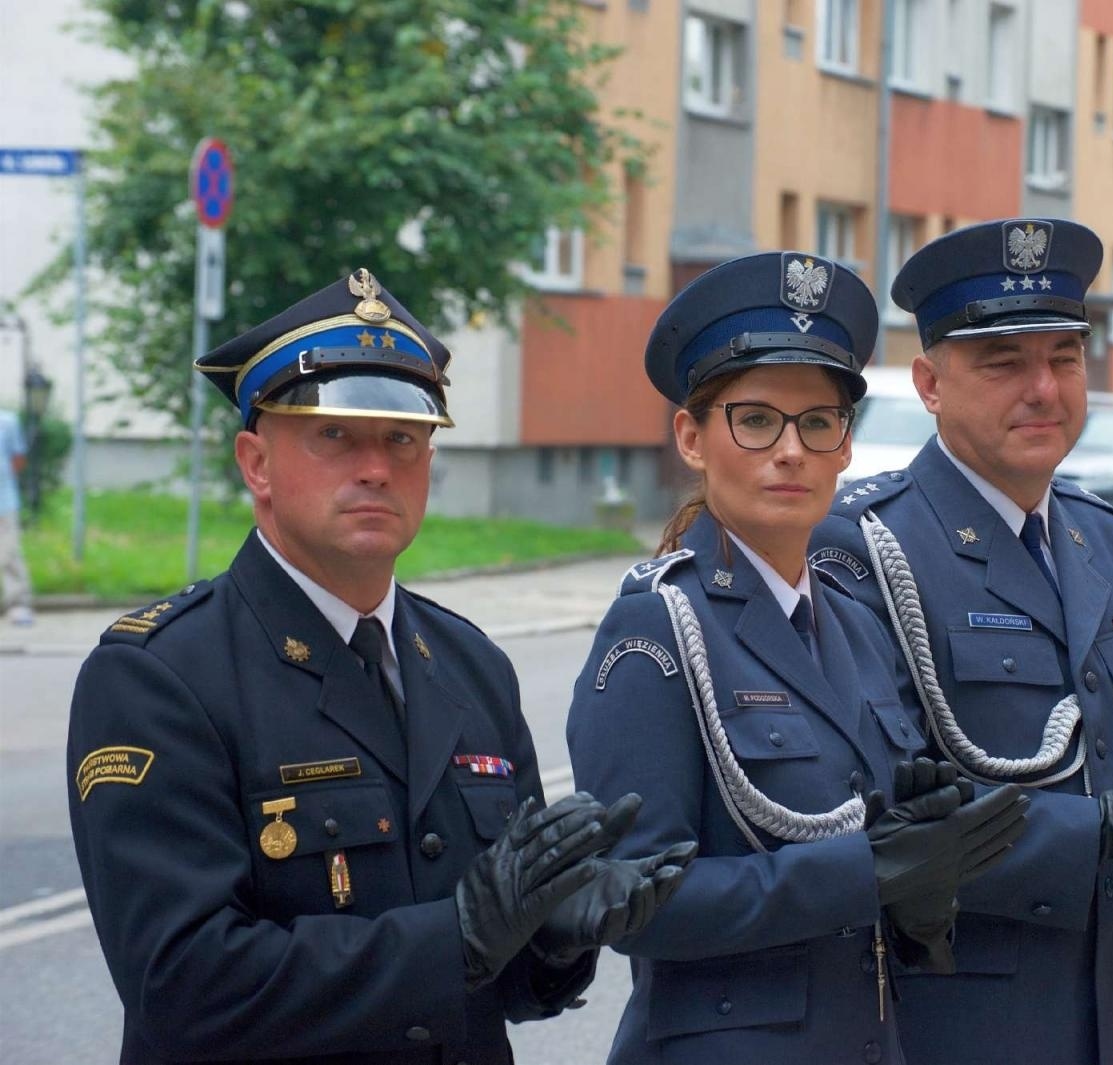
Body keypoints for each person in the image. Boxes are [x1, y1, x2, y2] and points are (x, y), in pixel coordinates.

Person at [66, 270, 693, 1065]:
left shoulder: (470, 664)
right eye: (335, 435)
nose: (375, 467)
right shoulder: (161, 677)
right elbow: (184, 986)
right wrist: (458, 934)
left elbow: (499, 990)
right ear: (255, 463)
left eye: (402, 438)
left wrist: (554, 937)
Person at [809, 218, 1113, 1065]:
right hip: (963, 1023)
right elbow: (880, 816)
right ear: (929, 382)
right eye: (1005, 362)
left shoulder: (1104, 538)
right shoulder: (861, 546)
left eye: (1064, 357)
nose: (1044, 388)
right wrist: (1102, 828)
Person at [566, 251, 1031, 1065]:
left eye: (819, 422)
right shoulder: (658, 628)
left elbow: (890, 882)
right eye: (756, 419)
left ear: (845, 446)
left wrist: (924, 884)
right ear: (692, 437)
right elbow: (635, 904)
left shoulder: (855, 622)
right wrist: (864, 871)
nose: (792, 450)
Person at [0, 405, 34, 625]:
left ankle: (18, 603)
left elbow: (18, 459)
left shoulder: (8, 421)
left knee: (9, 550)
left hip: (4, 498)